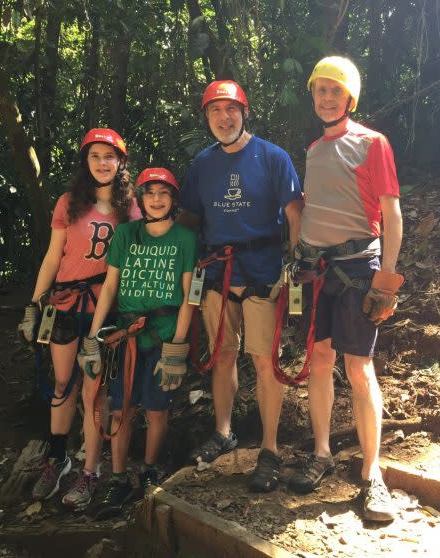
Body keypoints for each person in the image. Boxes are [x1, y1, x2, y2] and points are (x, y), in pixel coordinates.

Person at [290, 56, 404, 522]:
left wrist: (387, 279)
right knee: (319, 360)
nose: (326, 98)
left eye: (335, 91)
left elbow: (391, 213)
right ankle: (321, 454)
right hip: (317, 271)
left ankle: (372, 474)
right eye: (320, 91)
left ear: (349, 98)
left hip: (359, 268)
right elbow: (314, 208)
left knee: (359, 368)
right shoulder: (314, 150)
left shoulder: (372, 143)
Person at [179, 80, 303, 492]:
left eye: (231, 109)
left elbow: (294, 213)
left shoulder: (272, 157)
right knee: (222, 355)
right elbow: (190, 221)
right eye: (215, 111)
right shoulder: (202, 165)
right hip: (217, 272)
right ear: (207, 118)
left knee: (265, 359)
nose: (224, 117)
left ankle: (269, 448)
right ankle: (224, 430)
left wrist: (297, 260)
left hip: (262, 270)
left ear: (244, 112)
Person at [17, 128, 140, 510]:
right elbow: (53, 258)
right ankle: (56, 458)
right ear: (85, 162)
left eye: (109, 156)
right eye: (95, 156)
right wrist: (33, 306)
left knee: (95, 392)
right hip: (67, 303)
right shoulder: (68, 203)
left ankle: (90, 471)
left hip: (105, 310)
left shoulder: (132, 209)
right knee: (63, 384)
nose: (102, 163)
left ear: (120, 162)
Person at [79, 167, 197, 515]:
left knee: (157, 409)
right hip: (125, 338)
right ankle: (117, 481)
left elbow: (190, 296)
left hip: (163, 337)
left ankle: (148, 472)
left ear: (173, 200)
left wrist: (177, 348)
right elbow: (110, 287)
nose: (157, 199)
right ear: (140, 199)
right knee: (120, 409)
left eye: (164, 193)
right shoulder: (126, 235)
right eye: (150, 193)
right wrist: (93, 337)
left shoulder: (185, 240)